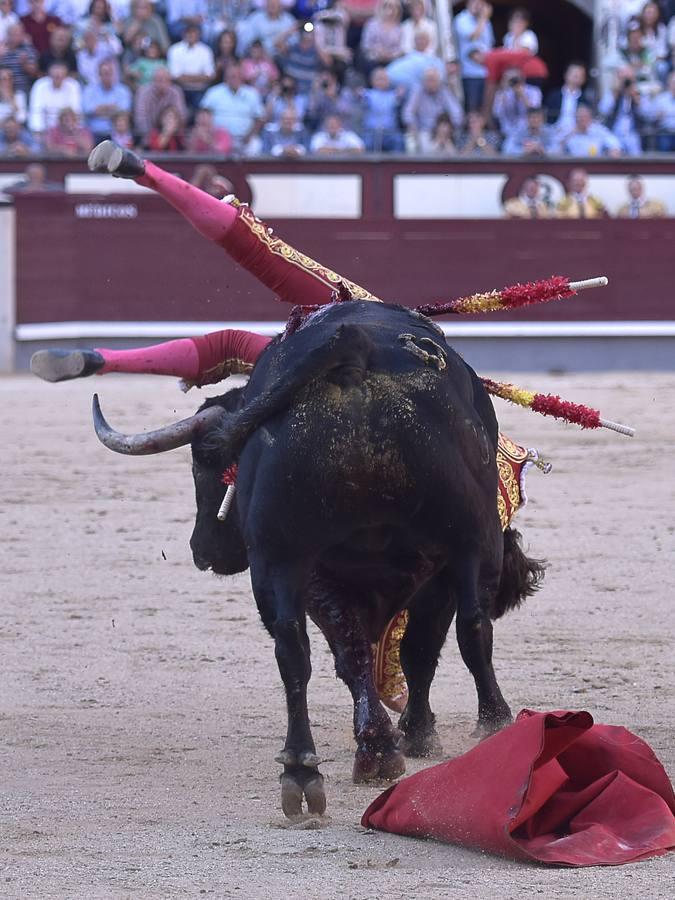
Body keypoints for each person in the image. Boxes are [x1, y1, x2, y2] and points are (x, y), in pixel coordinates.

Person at [453, 0, 494, 112]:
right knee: (472, 109)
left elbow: (489, 45)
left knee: (486, 109)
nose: (478, 6)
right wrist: (483, 18)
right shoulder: (461, 19)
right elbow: (473, 37)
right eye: (475, 2)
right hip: (470, 73)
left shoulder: (486, 22)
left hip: (486, 72)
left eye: (481, 3)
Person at [167, 21, 215, 110]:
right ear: (183, 33)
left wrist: (185, 77)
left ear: (199, 34)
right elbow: (175, 76)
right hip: (180, 90)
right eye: (189, 32)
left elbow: (210, 76)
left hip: (201, 90)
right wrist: (200, 77)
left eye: (194, 32)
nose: (191, 35)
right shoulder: (174, 50)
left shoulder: (206, 51)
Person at [558, 103, 623, 158]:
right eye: (579, 117)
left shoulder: (598, 130)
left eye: (584, 117)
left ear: (590, 118)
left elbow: (614, 142)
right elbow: (555, 148)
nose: (581, 119)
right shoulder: (568, 130)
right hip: (574, 165)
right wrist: (569, 136)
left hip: (595, 165)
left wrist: (614, 149)